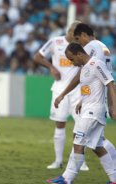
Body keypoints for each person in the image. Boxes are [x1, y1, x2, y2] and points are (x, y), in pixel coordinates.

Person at [47, 42, 116, 184]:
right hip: (88, 109)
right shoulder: (84, 68)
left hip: (93, 112)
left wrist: (112, 106)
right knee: (97, 146)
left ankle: (67, 179)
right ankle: (114, 179)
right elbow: (90, 89)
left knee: (78, 142)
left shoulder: (96, 64)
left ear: (79, 54)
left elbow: (110, 83)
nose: (72, 63)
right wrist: (81, 102)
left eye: (72, 59)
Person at [54, 23, 116, 167]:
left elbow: (82, 74)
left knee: (81, 138)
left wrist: (63, 93)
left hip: (96, 101)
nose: (78, 43)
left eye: (77, 38)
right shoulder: (103, 46)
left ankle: (67, 176)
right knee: (98, 142)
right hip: (100, 95)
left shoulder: (90, 47)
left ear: (83, 35)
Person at [33, 21, 89, 171]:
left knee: (81, 126)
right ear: (69, 31)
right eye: (73, 33)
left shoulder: (82, 46)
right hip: (59, 89)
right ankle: (58, 161)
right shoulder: (55, 41)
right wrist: (51, 67)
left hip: (77, 91)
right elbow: (37, 57)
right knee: (59, 124)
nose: (75, 37)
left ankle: (81, 161)